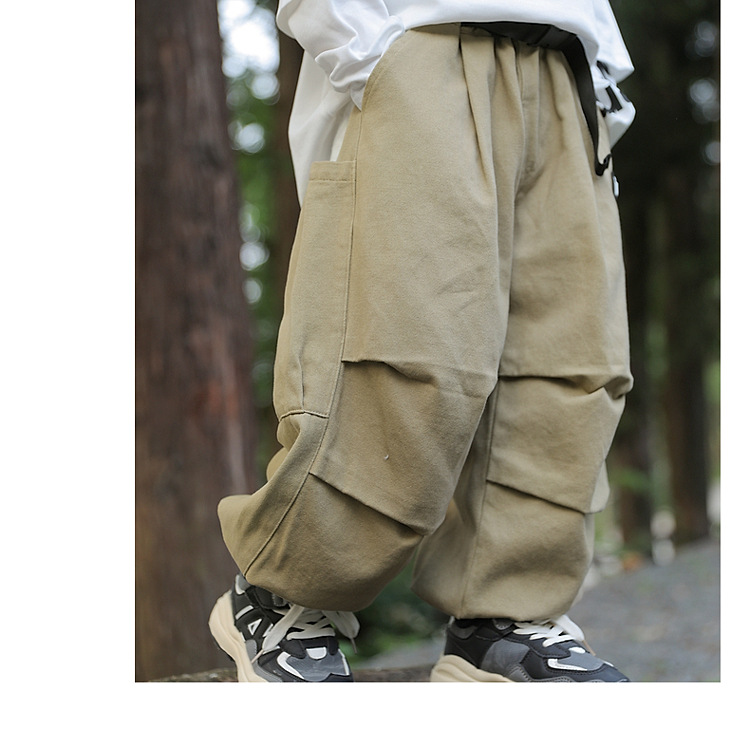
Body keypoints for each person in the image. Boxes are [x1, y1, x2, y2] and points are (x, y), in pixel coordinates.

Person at [208, 0, 637, 683]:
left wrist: (603, 78)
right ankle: (281, 598)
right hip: (426, 43)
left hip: (569, 70)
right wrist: (375, 57)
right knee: (402, 352)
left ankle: (502, 621)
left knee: (567, 369)